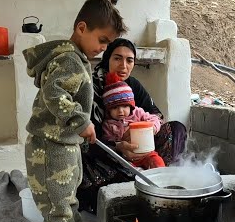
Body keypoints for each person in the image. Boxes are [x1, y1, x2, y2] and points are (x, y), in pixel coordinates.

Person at [23, 0, 127, 222]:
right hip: (49, 145)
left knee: (70, 188)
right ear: (82, 28)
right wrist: (81, 121)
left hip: (65, 140)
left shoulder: (77, 58)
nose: (103, 48)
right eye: (102, 40)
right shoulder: (69, 59)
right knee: (57, 197)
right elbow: (54, 94)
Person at [77, 38, 188, 212]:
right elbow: (90, 138)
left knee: (176, 129)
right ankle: (136, 179)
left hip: (142, 149)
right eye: (117, 58)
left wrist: (143, 130)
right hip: (108, 153)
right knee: (82, 160)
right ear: (107, 59)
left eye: (129, 60)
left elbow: (156, 115)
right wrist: (119, 146)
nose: (124, 65)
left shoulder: (133, 85)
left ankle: (161, 175)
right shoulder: (92, 88)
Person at [102, 72, 165, 170]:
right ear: (108, 109)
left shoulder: (137, 113)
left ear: (131, 105)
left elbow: (154, 118)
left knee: (157, 162)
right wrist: (119, 145)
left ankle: (162, 178)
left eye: (125, 106)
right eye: (115, 107)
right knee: (127, 171)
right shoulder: (108, 124)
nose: (120, 111)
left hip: (146, 153)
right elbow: (109, 143)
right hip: (125, 158)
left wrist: (152, 128)